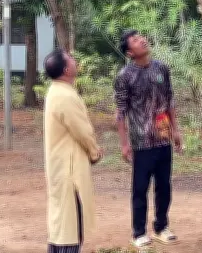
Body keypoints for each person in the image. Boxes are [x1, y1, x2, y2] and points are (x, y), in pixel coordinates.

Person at [114, 30, 182, 248]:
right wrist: (124, 144)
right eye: (135, 40)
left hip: (163, 138)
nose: (142, 40)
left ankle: (161, 227)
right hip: (141, 142)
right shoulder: (125, 76)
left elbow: (169, 100)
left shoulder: (161, 68)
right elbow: (121, 112)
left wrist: (176, 130)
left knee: (164, 186)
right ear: (129, 52)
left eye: (141, 37)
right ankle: (138, 232)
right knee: (140, 188)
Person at [43, 49, 103, 253]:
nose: (76, 61)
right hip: (69, 169)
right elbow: (82, 131)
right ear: (67, 69)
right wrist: (94, 152)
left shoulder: (56, 91)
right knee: (69, 225)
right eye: (72, 59)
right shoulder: (64, 95)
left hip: (61, 166)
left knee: (62, 222)